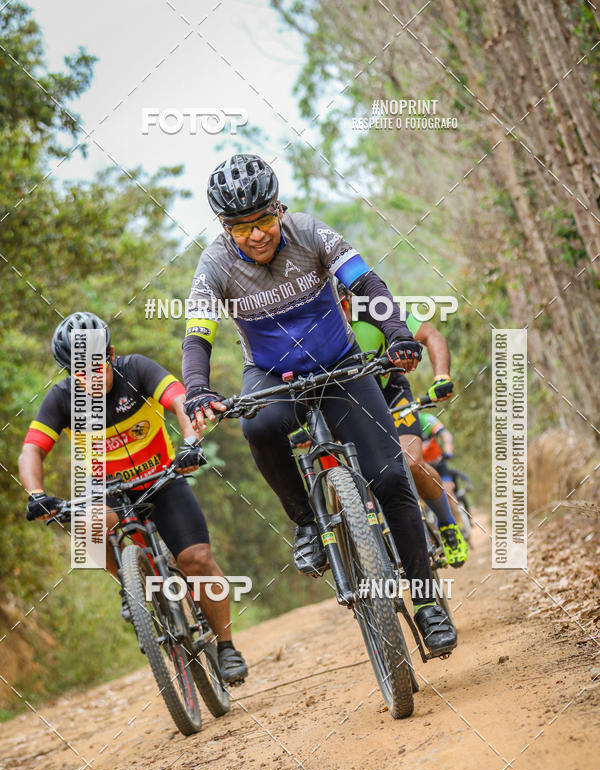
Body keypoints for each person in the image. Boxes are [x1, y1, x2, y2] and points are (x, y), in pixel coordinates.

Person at [182, 154, 457, 655]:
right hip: (272, 373)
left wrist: (397, 332)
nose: (256, 235)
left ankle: (427, 603)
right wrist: (198, 389)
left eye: (264, 220)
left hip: (339, 363)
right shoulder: (214, 264)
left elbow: (366, 284)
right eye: (241, 228)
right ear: (224, 227)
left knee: (391, 478)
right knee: (258, 426)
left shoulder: (309, 232)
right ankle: (307, 523)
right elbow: (197, 336)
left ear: (278, 209)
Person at [18, 311, 248, 684]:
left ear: (111, 354)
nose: (90, 378)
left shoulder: (137, 369)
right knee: (87, 524)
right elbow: (32, 449)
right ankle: (129, 583)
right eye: (79, 372)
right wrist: (37, 494)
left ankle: (226, 647)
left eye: (97, 366)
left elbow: (180, 400)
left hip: (160, 480)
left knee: (197, 560)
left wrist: (191, 442)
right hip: (106, 489)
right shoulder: (62, 398)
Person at [339, 284, 468, 567]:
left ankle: (447, 523)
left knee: (410, 463)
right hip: (345, 403)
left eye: (343, 303)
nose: (340, 311)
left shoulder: (373, 309)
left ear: (349, 299)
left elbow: (431, 335)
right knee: (349, 471)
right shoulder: (311, 324)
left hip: (390, 393)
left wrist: (441, 376)